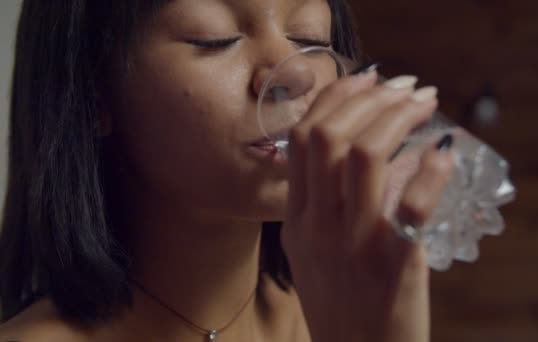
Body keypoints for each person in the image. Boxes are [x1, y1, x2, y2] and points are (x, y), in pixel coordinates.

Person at [0, 0, 454, 341]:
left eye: (310, 39)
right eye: (214, 39)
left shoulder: (347, 314)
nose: (294, 76)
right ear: (95, 91)